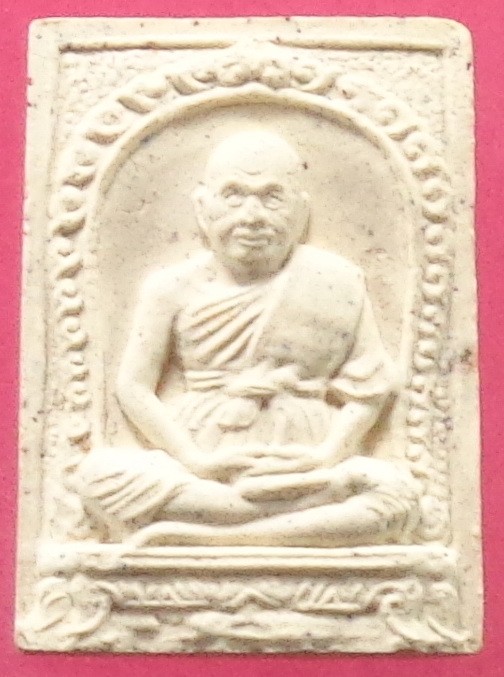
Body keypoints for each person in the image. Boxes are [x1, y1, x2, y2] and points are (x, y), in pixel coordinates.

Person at [76, 130, 420, 546]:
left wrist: (328, 455)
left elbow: (372, 386)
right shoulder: (170, 288)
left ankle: (209, 535)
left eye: (272, 198)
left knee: (401, 495)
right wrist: (195, 460)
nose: (252, 216)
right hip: (201, 459)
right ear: (203, 208)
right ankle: (292, 521)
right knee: (97, 478)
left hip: (306, 460)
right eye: (233, 196)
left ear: (301, 211)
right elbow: (133, 387)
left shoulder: (337, 280)